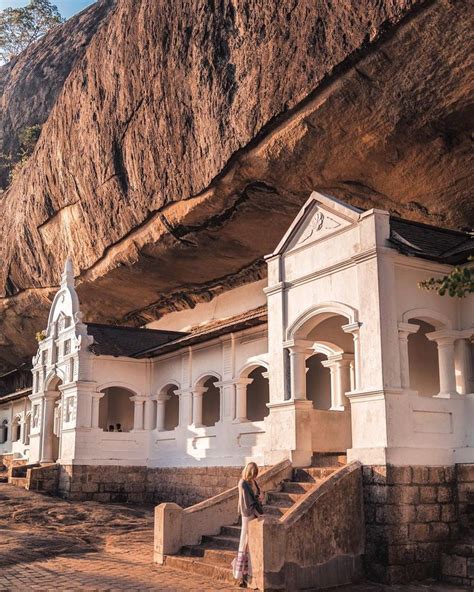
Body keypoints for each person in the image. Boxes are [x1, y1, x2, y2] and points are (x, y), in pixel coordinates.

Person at [232, 461, 263, 587]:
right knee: (244, 543)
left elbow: (256, 498)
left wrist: (260, 498)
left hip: (254, 514)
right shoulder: (243, 483)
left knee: (249, 544)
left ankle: (246, 573)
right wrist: (258, 511)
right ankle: (240, 575)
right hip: (248, 515)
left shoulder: (253, 482)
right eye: (254, 473)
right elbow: (248, 502)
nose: (255, 476)